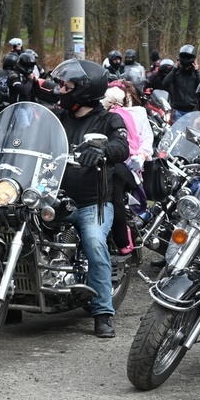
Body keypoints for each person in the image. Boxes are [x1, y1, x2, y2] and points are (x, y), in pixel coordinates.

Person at [51, 58, 129, 338]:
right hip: (53, 199)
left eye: (67, 86)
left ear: (83, 90)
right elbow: (30, 134)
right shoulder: (57, 117)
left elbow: (122, 146)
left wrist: (103, 151)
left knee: (95, 244)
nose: (61, 90)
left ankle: (103, 312)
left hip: (92, 203)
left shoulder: (109, 119)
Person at [101, 86, 153, 255]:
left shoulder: (114, 117)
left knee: (114, 194)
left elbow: (133, 143)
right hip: (124, 164)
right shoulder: (131, 114)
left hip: (122, 165)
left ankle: (123, 239)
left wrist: (140, 156)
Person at [163, 44, 200, 122]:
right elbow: (165, 83)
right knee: (177, 132)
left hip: (193, 111)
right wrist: (174, 69)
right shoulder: (176, 73)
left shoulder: (197, 74)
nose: (187, 67)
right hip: (178, 110)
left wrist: (196, 71)